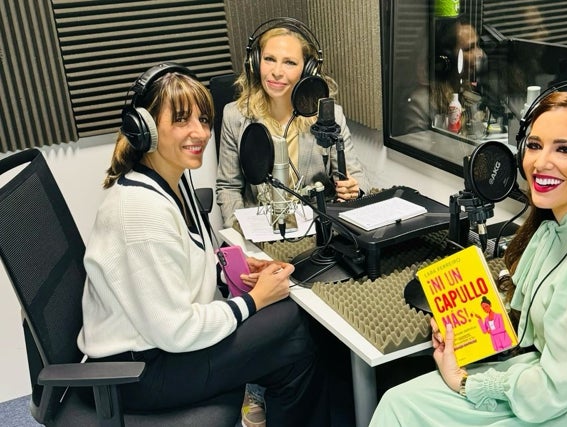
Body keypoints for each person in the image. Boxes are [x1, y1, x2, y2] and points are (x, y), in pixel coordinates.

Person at [370, 86, 567, 426]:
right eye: (534, 145)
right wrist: (466, 329)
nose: (540, 162)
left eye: (564, 149)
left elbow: (557, 388)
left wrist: (467, 381)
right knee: (398, 403)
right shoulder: (555, 226)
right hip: (552, 384)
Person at [76, 63, 329, 427]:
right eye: (181, 120)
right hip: (134, 374)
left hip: (156, 350)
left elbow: (187, 262)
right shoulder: (140, 212)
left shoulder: (173, 181)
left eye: (204, 120)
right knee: (291, 326)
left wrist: (237, 273)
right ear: (145, 128)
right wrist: (253, 301)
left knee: (291, 348)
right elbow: (177, 330)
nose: (200, 133)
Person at [216, 17, 368, 229]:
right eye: (269, 59)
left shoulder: (329, 115)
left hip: (318, 227)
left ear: (307, 71)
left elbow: (357, 176)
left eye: (289, 62)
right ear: (256, 62)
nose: (277, 71)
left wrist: (355, 190)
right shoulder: (235, 116)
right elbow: (228, 187)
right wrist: (240, 231)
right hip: (262, 227)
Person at [398, 16, 486, 136]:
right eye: (469, 48)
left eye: (478, 45)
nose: (480, 54)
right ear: (446, 58)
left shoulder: (465, 90)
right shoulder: (421, 103)